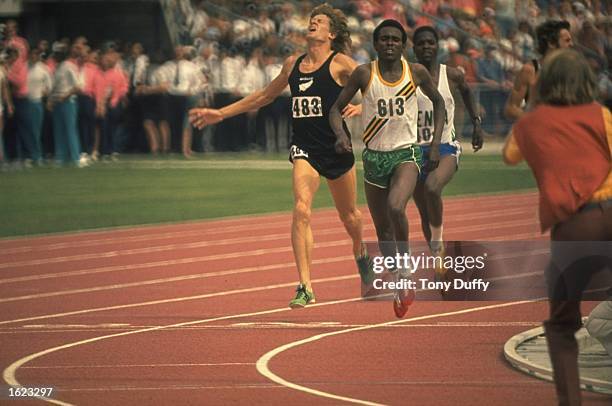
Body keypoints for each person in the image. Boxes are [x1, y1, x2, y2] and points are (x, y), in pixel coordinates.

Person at [190, 4, 372, 308]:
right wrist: (219, 114)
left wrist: (364, 107)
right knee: (301, 208)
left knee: (350, 217)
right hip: (304, 149)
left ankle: (361, 250)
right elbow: (264, 96)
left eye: (319, 22)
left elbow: (375, 88)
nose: (312, 24)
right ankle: (305, 286)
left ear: (332, 33)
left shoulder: (342, 64)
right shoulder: (292, 65)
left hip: (336, 149)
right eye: (311, 21)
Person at [503, 49, 612, 406]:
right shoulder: (602, 115)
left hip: (575, 227)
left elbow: (510, 155)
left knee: (563, 324)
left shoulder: (530, 125)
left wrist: (534, 106)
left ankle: (570, 401)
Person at [329, 19, 445, 318]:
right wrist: (341, 134)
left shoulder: (415, 72)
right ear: (376, 43)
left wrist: (433, 143)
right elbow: (334, 109)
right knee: (382, 229)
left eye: (395, 39)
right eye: (384, 39)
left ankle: (406, 271)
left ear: (403, 45)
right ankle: (399, 281)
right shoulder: (363, 73)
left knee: (396, 207)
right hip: (373, 158)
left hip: (405, 153)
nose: (390, 43)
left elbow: (439, 104)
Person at [411, 26, 483, 280]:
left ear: (438, 45)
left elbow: (467, 90)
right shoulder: (407, 76)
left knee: (432, 188)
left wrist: (476, 123)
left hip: (445, 146)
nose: (427, 47)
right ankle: (437, 261)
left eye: (431, 42)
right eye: (421, 43)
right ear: (414, 47)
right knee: (424, 211)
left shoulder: (450, 75)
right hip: (415, 149)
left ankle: (439, 244)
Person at [504, 20, 573, 120]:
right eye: (567, 40)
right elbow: (511, 108)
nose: (572, 44)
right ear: (551, 43)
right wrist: (537, 121)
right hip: (539, 132)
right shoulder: (530, 70)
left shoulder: (571, 71)